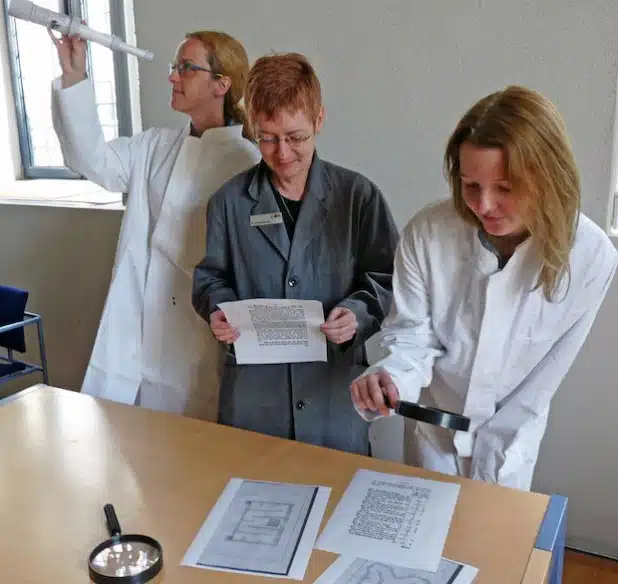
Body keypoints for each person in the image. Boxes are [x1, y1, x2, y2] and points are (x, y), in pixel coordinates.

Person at [350, 85, 618, 490]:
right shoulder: (429, 232)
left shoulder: (591, 255)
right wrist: (391, 377)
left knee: (492, 547)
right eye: (470, 185)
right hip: (433, 436)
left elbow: (542, 381)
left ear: (547, 177)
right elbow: (410, 334)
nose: (484, 204)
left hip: (510, 444)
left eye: (505, 188)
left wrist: (495, 459)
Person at [192, 53, 399, 455]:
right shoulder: (228, 203)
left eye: (296, 137)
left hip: (333, 398)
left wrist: (356, 314)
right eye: (267, 138)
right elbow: (210, 279)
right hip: (254, 401)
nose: (282, 153)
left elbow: (390, 280)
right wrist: (220, 310)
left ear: (319, 121)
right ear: (252, 128)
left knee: (336, 503)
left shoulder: (358, 197)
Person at [50, 30, 261, 418]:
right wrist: (74, 75)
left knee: (194, 446)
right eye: (174, 66)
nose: (173, 76)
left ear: (221, 84)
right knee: (131, 443)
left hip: (198, 334)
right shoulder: (156, 147)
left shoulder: (246, 162)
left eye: (186, 68)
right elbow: (92, 161)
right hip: (140, 324)